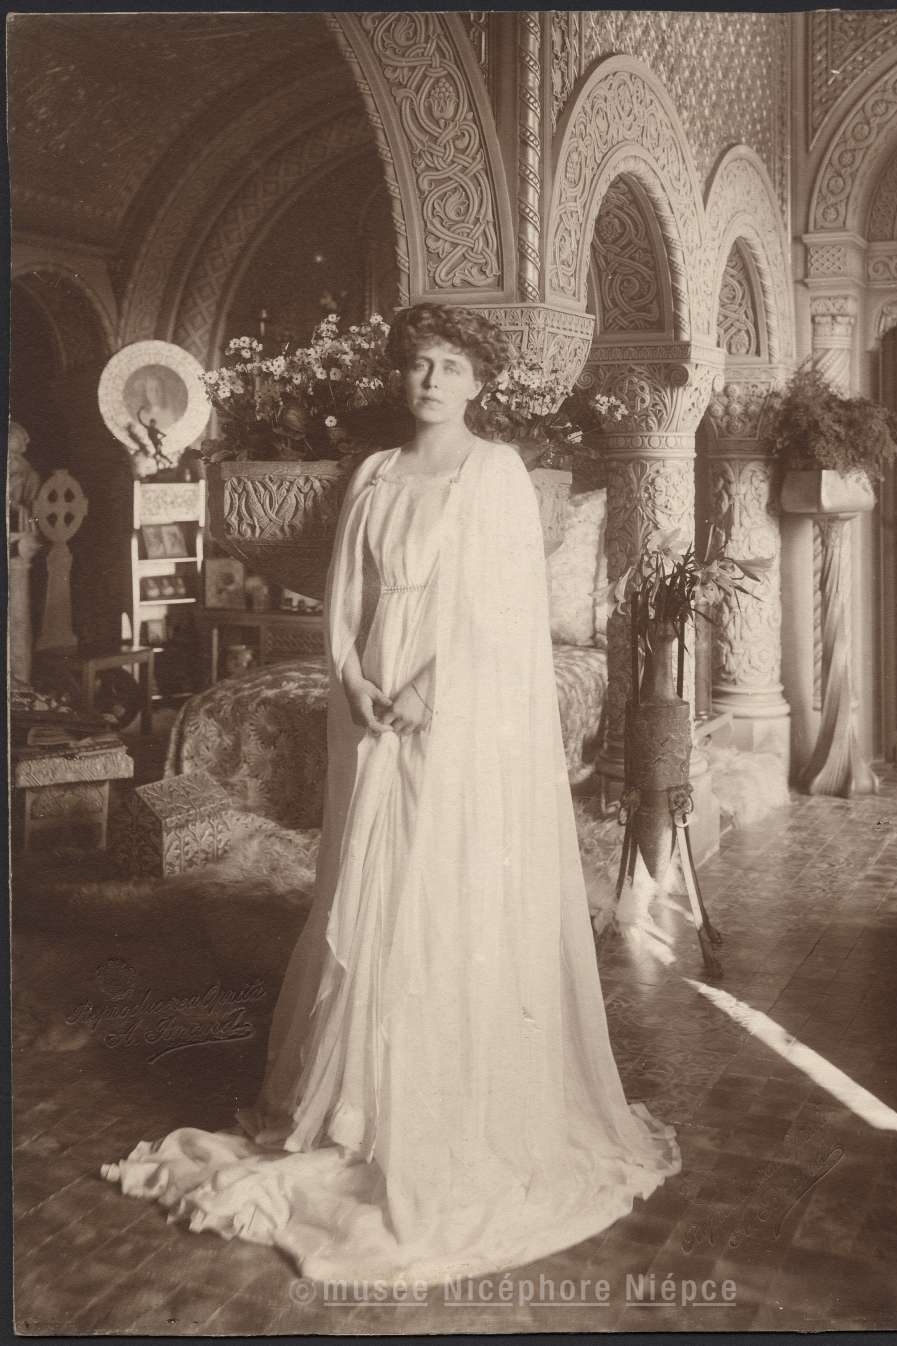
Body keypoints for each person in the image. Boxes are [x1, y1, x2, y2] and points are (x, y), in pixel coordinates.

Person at [102, 303, 679, 1284]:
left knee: (439, 881)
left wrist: (431, 687)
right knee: (373, 881)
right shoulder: (373, 472)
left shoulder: (495, 474)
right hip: (375, 699)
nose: (431, 380)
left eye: (451, 366)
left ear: (479, 382)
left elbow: (503, 610)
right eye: (419, 364)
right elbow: (349, 597)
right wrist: (354, 676)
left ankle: (447, 1102)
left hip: (459, 707)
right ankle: (362, 1101)